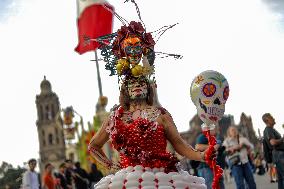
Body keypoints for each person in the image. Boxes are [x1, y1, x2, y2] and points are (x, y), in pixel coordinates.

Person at [88, 21, 216, 189]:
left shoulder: (161, 114)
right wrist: (110, 165)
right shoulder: (115, 117)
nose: (137, 86)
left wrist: (201, 155)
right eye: (131, 84)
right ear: (125, 90)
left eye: (141, 83)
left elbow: (178, 143)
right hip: (128, 181)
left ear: (149, 88)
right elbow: (94, 146)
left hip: (162, 178)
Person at [262, 113, 284, 189]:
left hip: (278, 154)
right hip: (279, 154)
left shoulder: (271, 129)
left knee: (281, 178)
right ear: (267, 120)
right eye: (272, 117)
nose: (274, 118)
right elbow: (273, 142)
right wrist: (283, 139)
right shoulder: (268, 129)